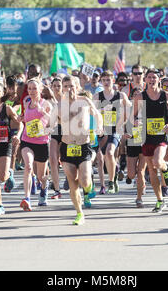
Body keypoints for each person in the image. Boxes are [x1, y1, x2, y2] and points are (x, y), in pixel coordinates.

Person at [57, 75, 103, 225]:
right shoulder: (59, 105)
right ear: (62, 89)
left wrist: (100, 127)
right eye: (66, 86)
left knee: (84, 181)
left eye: (72, 86)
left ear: (78, 87)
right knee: (72, 183)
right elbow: (50, 122)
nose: (69, 89)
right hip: (67, 147)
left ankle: (89, 186)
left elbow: (97, 114)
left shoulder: (84, 101)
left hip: (84, 146)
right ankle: (79, 213)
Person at [132, 69, 168, 213]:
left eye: (154, 77)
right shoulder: (140, 97)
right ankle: (160, 200)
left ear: (159, 79)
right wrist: (135, 122)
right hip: (146, 136)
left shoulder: (166, 95)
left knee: (158, 162)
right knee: (151, 169)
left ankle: (166, 168)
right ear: (145, 80)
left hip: (161, 135)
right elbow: (133, 116)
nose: (152, 80)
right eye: (149, 77)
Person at [93, 70, 130, 194]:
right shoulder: (97, 97)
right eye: (103, 80)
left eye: (108, 80)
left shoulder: (120, 96)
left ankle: (111, 182)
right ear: (101, 82)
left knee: (109, 153)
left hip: (116, 129)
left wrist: (126, 123)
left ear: (113, 80)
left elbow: (131, 110)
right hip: (103, 130)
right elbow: (92, 113)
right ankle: (113, 176)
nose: (106, 82)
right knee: (105, 156)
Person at [18, 79, 52, 211]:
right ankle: (27, 198)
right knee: (28, 166)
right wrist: (21, 119)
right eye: (30, 88)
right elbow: (25, 119)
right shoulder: (26, 102)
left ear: (40, 90)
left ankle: (44, 187)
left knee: (41, 176)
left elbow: (53, 121)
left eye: (34, 88)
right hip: (27, 140)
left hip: (42, 142)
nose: (31, 91)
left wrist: (43, 111)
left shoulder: (46, 103)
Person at [0, 82, 21, 215]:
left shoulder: (7, 109)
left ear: (2, 94)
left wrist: (17, 135)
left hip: (5, 145)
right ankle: (0, 205)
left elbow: (20, 124)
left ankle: (9, 173)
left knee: (2, 177)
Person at [48, 77, 63, 199]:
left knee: (66, 160)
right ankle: (57, 189)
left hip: (67, 130)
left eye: (59, 85)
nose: (57, 88)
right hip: (54, 130)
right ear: (51, 87)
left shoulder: (67, 100)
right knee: (53, 159)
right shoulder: (48, 101)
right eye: (55, 86)